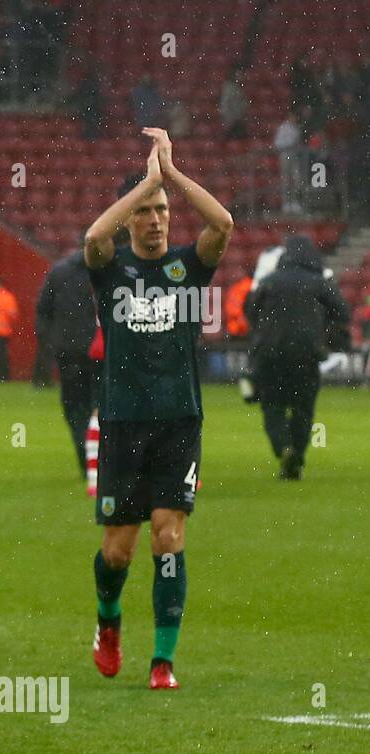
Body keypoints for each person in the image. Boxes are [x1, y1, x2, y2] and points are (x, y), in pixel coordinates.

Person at [83, 127, 233, 691]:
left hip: (178, 423)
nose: (155, 218)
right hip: (122, 423)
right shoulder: (111, 268)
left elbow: (223, 225)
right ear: (130, 220)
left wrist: (171, 177)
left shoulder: (188, 268)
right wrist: (142, 183)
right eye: (145, 211)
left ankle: (163, 661)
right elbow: (93, 236)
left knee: (168, 537)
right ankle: (108, 620)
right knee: (117, 551)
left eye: (162, 210)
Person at [243, 235, 351, 480]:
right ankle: (297, 458)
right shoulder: (320, 283)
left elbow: (249, 311)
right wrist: (322, 328)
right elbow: (343, 313)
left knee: (273, 406)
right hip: (307, 354)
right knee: (303, 409)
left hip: (270, 354)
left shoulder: (269, 281)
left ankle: (284, 448)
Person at [35, 245, 99, 477]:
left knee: (75, 407)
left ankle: (86, 456)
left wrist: (52, 343)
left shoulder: (59, 272)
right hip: (100, 353)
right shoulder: (106, 270)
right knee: (100, 405)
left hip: (69, 353)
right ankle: (100, 458)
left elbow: (43, 311)